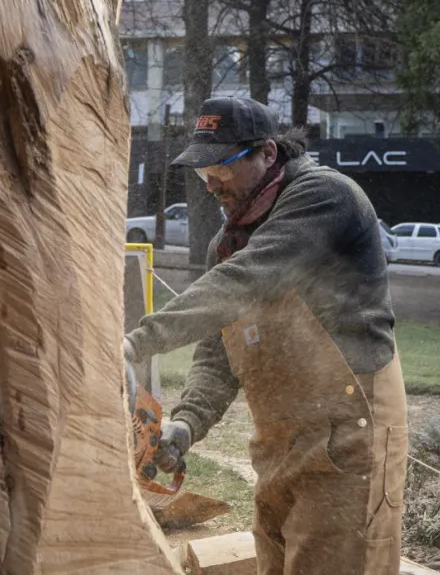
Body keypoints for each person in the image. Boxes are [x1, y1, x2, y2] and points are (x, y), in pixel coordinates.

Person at [123, 96, 408, 575]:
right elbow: (220, 347)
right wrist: (188, 423)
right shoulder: (231, 241)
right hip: (280, 442)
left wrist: (136, 342)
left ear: (268, 154)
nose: (210, 180)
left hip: (349, 432)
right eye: (201, 171)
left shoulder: (326, 197)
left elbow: (248, 280)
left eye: (221, 166)